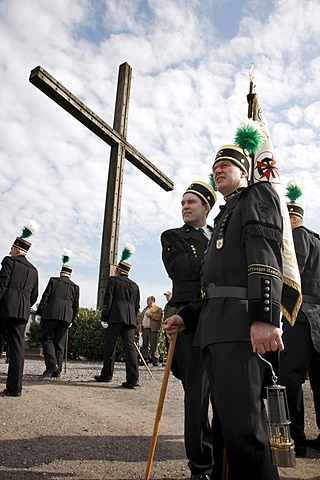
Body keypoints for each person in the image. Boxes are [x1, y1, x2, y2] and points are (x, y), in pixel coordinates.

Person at [165, 145, 285, 480]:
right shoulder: (223, 217)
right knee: (224, 432)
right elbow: (212, 286)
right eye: (215, 165)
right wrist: (187, 316)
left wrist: (264, 316)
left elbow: (265, 257)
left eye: (227, 164)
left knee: (245, 433)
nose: (219, 169)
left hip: (240, 327)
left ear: (245, 172)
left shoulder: (257, 197)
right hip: (214, 331)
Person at [161, 180, 218, 480]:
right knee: (196, 395)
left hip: (221, 317)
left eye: (191, 202)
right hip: (187, 320)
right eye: (182, 203)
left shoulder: (219, 233)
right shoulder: (172, 236)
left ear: (206, 207)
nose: (185, 207)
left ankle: (222, 457)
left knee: (222, 394)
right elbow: (181, 270)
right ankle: (200, 465)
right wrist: (219, 258)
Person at [279, 183, 320, 455]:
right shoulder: (318, 238)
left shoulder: (299, 236)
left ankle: (297, 439)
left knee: (290, 378)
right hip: (318, 318)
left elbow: (295, 272)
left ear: (292, 218)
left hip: (301, 315)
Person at [0, 220, 39, 397]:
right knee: (17, 348)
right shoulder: (34, 269)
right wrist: (24, 305)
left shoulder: (9, 262)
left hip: (5, 306)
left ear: (16, 249)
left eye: (11, 248)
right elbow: (34, 295)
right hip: (22, 310)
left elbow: (2, 285)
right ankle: (15, 388)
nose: (9, 251)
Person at [94, 243, 140, 389]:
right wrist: (135, 320)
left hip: (115, 317)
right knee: (129, 349)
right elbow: (137, 306)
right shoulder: (135, 285)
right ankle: (133, 379)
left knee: (110, 347)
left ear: (119, 270)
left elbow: (108, 299)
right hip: (130, 319)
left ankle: (106, 375)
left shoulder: (113, 280)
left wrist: (104, 317)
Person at [35, 250, 80, 378]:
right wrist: (72, 319)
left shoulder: (53, 281)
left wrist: (39, 312)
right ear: (70, 274)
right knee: (59, 343)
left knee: (47, 338)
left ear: (61, 272)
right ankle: (57, 370)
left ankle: (52, 365)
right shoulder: (75, 287)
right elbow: (75, 305)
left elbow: (46, 297)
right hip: (67, 316)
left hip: (51, 314)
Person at [138, 295, 163, 366]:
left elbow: (159, 317)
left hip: (153, 330)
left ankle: (155, 360)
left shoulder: (158, 309)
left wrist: (150, 315)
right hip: (144, 329)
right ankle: (144, 360)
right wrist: (140, 325)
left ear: (152, 300)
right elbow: (141, 318)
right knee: (144, 345)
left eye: (147, 300)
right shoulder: (145, 309)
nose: (146, 302)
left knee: (153, 346)